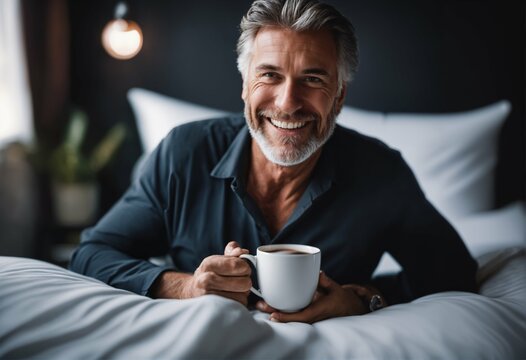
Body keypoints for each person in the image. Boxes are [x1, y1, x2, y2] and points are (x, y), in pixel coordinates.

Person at [70, 0, 477, 324]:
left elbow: (454, 273)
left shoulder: (381, 173)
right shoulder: (183, 152)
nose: (288, 103)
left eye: (314, 79)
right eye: (269, 76)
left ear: (339, 96)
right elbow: (92, 253)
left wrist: (360, 299)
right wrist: (186, 287)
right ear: (245, 87)